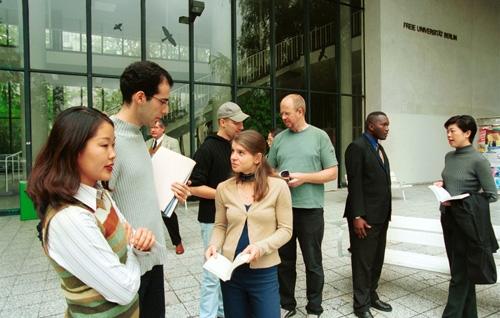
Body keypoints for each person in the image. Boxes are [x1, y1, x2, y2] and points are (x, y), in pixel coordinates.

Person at [26, 107, 156, 317]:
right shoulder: (69, 218)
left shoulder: (99, 194)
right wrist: (135, 253)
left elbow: (130, 239)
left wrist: (138, 244)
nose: (113, 154)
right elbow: (124, 290)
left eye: (114, 144)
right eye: (104, 145)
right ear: (72, 148)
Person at [110, 60, 190, 318]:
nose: (165, 110)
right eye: (163, 101)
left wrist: (170, 197)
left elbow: (137, 194)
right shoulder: (107, 140)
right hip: (129, 266)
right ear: (140, 97)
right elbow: (98, 205)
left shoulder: (139, 137)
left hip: (153, 258)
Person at [205, 130, 293, 318]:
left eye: (241, 152)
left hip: (264, 272)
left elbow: (286, 230)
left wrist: (260, 247)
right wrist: (214, 245)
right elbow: (220, 225)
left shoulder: (278, 187)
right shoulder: (223, 188)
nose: (233, 157)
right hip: (231, 272)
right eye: (233, 151)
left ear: (257, 157)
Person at [267, 94, 338, 318]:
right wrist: (281, 177)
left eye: (287, 112)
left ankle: (314, 308)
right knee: (284, 262)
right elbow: (268, 170)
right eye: (282, 112)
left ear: (300, 111)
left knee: (313, 262)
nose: (283, 117)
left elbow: (332, 172)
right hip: (283, 210)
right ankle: (287, 304)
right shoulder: (279, 139)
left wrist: (305, 178)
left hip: (311, 210)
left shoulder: (319, 136)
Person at [189, 101, 249, 318]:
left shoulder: (235, 147)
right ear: (222, 122)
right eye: (236, 123)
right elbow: (194, 187)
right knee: (212, 274)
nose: (241, 127)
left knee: (227, 272)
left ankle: (223, 313)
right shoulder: (206, 149)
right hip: (211, 221)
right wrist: (225, 195)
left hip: (233, 219)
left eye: (242, 123)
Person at [437, 115, 498, 318]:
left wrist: (461, 200)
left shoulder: (478, 160)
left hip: (467, 223)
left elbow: (491, 195)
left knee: (459, 274)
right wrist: (442, 186)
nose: (448, 135)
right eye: (447, 131)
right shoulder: (449, 157)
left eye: (452, 130)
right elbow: (453, 182)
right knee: (460, 270)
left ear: (467, 133)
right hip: (448, 219)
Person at [343, 111, 392, 318]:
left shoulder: (378, 148)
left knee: (376, 259)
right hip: (364, 218)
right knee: (362, 262)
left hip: (381, 215)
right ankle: (361, 305)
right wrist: (357, 216)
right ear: (371, 126)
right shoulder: (357, 147)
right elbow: (355, 185)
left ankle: (372, 295)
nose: (388, 128)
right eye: (384, 124)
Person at [147, 119, 185, 255]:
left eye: (156, 127)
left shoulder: (172, 142)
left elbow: (177, 160)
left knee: (168, 214)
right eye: (151, 127)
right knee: (151, 214)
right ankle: (152, 243)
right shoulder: (147, 144)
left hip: (166, 183)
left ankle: (177, 242)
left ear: (163, 129)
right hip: (151, 183)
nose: (153, 130)